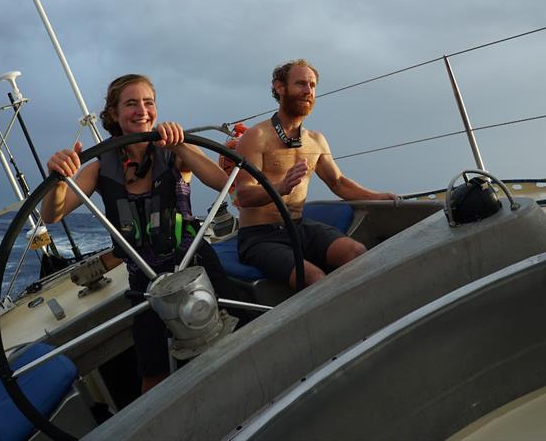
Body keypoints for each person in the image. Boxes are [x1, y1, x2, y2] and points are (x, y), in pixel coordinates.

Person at [41, 73, 230, 393]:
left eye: (148, 102)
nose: (142, 110)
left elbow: (221, 182)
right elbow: (52, 214)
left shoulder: (174, 153)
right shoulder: (101, 167)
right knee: (153, 371)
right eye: (131, 104)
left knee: (228, 340)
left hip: (196, 264)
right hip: (146, 282)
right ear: (114, 114)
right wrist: (59, 179)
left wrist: (182, 145)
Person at [235, 59, 398, 290]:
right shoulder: (256, 137)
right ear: (280, 87)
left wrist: (378, 196)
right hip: (259, 236)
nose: (308, 91)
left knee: (356, 252)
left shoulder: (315, 140)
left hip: (298, 227)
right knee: (313, 278)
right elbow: (243, 195)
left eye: (312, 85)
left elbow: (338, 182)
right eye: (301, 84)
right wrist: (279, 188)